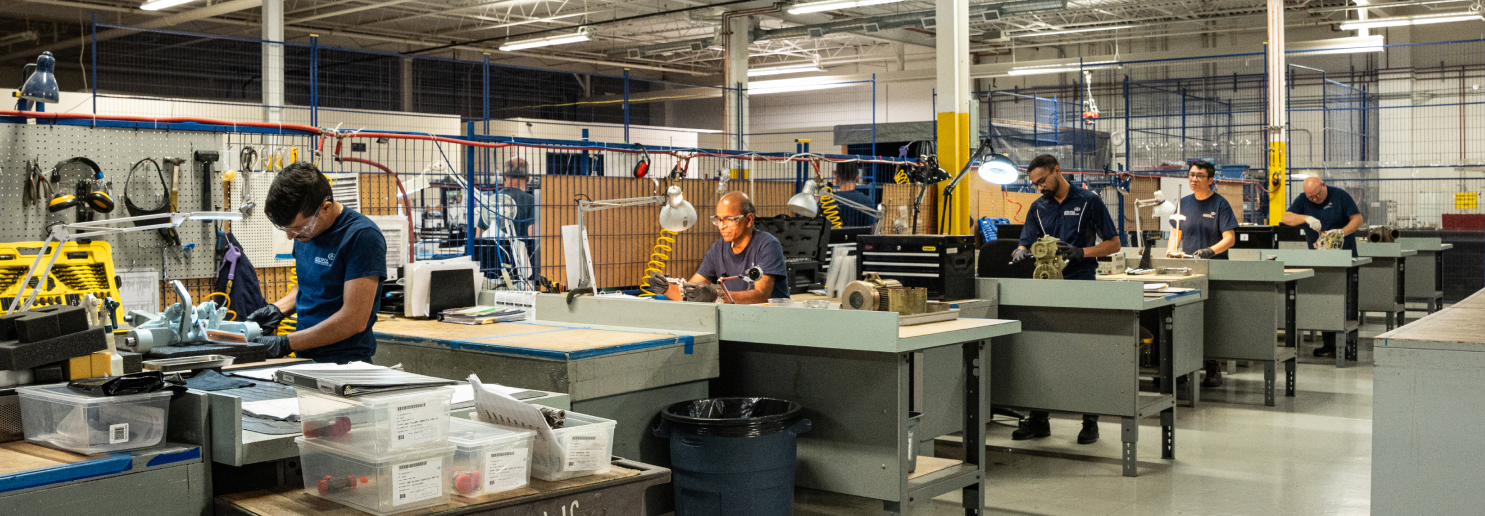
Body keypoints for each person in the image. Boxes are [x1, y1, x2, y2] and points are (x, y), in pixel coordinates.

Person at [1010, 154, 1122, 445]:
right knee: (1041, 351)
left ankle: (1090, 421)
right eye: (1034, 184)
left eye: (1042, 181)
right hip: (1046, 287)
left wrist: (1082, 252)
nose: (1039, 188)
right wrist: (1021, 251)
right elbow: (1026, 240)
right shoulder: (1038, 207)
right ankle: (1038, 420)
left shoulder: (1089, 201)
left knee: (1083, 353)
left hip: (1080, 285)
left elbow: (1113, 243)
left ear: (1057, 171)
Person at [247, 163, 388, 364]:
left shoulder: (362, 237)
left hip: (346, 363)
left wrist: (285, 343)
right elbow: (307, 285)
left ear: (326, 207)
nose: (290, 237)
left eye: (297, 228)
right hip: (305, 356)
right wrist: (277, 310)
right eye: (285, 229)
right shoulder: (306, 233)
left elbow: (354, 320)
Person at [1165, 160, 1239, 387]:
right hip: (1187, 270)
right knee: (1185, 318)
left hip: (1213, 268)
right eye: (1191, 174)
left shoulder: (1220, 204)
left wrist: (1210, 251)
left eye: (1199, 175)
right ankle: (1182, 367)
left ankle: (1213, 367)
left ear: (1210, 180)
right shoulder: (1184, 203)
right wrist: (1170, 251)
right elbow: (1176, 231)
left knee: (1211, 319)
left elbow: (1230, 238)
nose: (1194, 179)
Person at [648, 191, 789, 304]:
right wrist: (666, 288)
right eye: (719, 219)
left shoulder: (768, 245)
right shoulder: (718, 249)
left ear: (749, 219)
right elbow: (691, 292)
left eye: (729, 219)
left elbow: (761, 295)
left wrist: (716, 295)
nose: (722, 226)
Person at [1282, 176, 1364, 357]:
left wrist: (1342, 232)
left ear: (1323, 186)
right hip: (1321, 258)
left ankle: (1347, 344)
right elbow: (1286, 218)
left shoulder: (1340, 196)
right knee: (1326, 298)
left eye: (1316, 196)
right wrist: (1306, 217)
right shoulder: (1304, 199)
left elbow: (1358, 219)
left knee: (1346, 300)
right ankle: (1330, 344)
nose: (1313, 200)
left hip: (1345, 257)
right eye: (1310, 197)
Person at [828, 162, 879, 227]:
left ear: (837, 178)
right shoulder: (866, 201)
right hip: (858, 237)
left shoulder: (828, 201)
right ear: (858, 178)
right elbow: (873, 230)